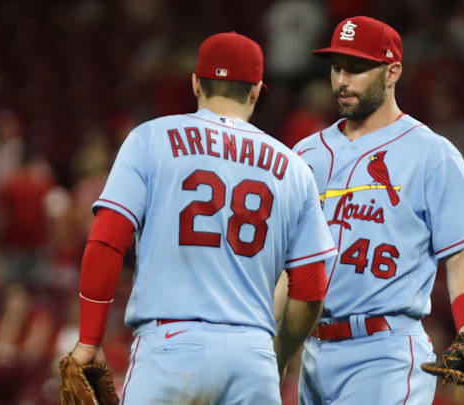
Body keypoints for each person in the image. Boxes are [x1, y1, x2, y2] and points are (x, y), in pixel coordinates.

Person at [67, 32, 337, 404]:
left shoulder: (151, 138)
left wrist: (89, 341)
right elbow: (311, 288)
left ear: (195, 83)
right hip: (252, 356)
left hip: (171, 350)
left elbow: (108, 239)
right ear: (257, 90)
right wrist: (277, 354)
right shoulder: (293, 168)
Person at [289, 16, 464, 404]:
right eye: (336, 68)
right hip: (314, 350)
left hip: (384, 351)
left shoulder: (429, 153)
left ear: (392, 72)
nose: (342, 81)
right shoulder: (305, 154)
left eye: (357, 68)